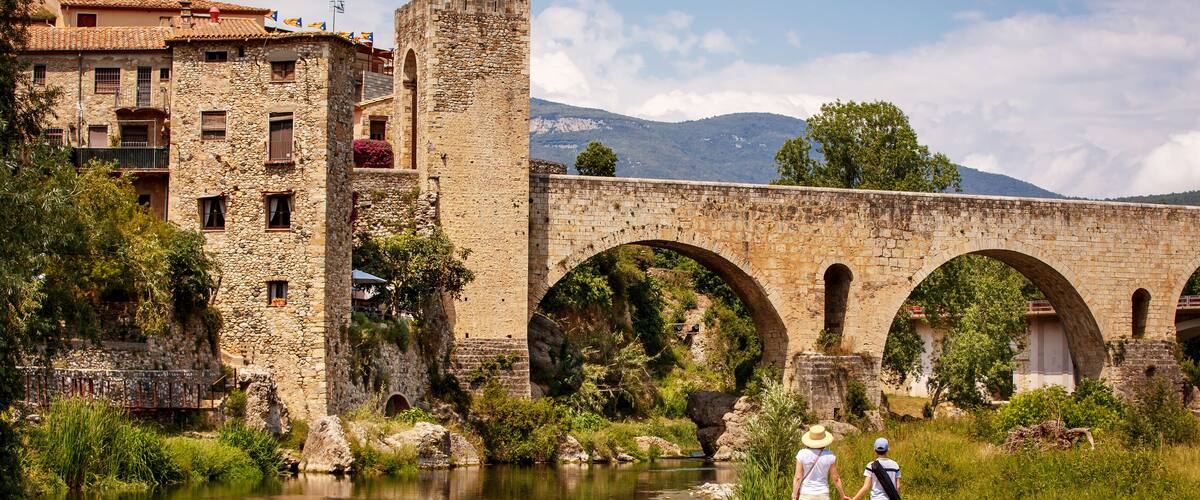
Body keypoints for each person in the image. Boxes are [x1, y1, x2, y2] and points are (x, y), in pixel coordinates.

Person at [791, 424, 849, 500]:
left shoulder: (802, 454)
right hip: (823, 494)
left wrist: (794, 495)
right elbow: (836, 478)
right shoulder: (829, 455)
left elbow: (798, 477)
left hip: (806, 493)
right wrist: (842, 495)